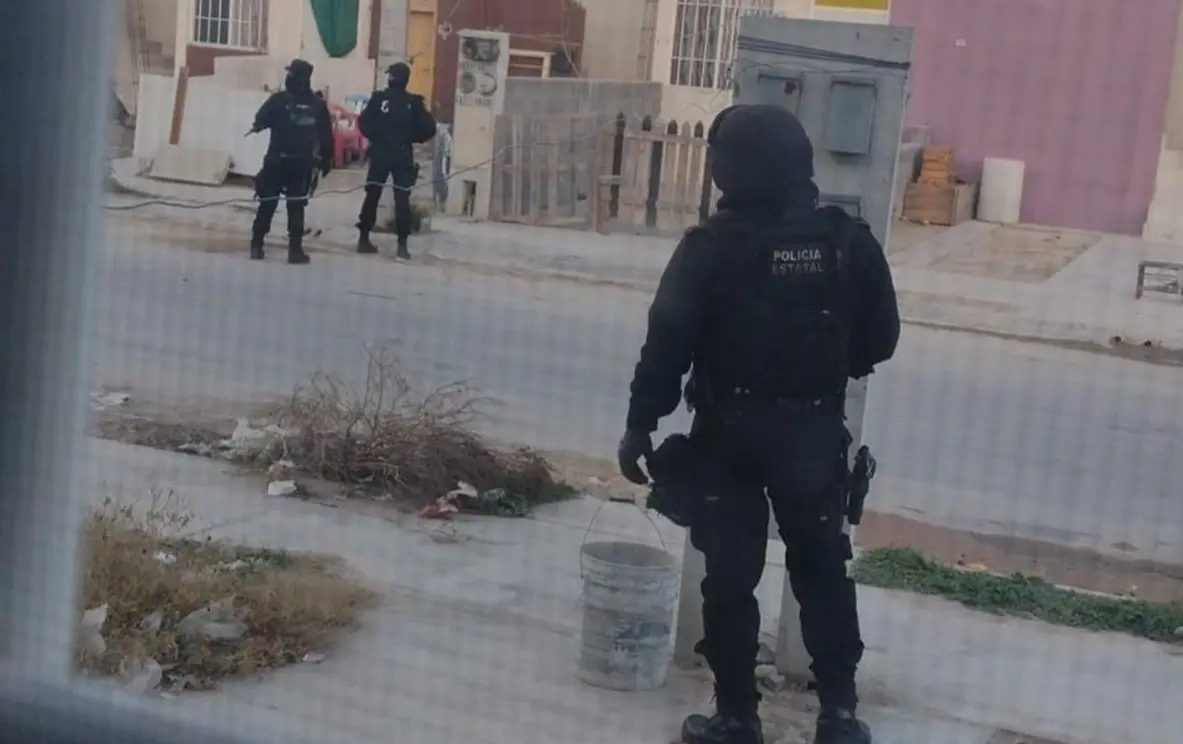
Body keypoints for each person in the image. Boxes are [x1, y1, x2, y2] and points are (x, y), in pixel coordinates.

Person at [616, 105, 900, 744]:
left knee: (731, 578)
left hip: (730, 437)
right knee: (823, 570)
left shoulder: (710, 248)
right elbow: (881, 340)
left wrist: (640, 427)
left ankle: (738, 717)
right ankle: (840, 717)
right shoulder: (846, 242)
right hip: (812, 437)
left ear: (734, 170)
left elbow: (666, 346)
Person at [247, 59, 333, 264]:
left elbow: (259, 120)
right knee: (296, 207)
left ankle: (257, 245)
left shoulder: (278, 100)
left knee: (267, 203)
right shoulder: (317, 105)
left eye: (291, 74)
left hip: (277, 160)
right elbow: (326, 137)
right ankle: (295, 251)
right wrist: (326, 161)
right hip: (301, 164)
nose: (288, 78)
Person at [356, 62, 437, 259]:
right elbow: (429, 129)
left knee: (372, 196)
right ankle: (402, 246)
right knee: (402, 200)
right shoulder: (413, 103)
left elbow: (363, 123)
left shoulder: (379, 99)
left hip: (381, 152)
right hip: (401, 154)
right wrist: (411, 138)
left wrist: (377, 137)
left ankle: (364, 238)